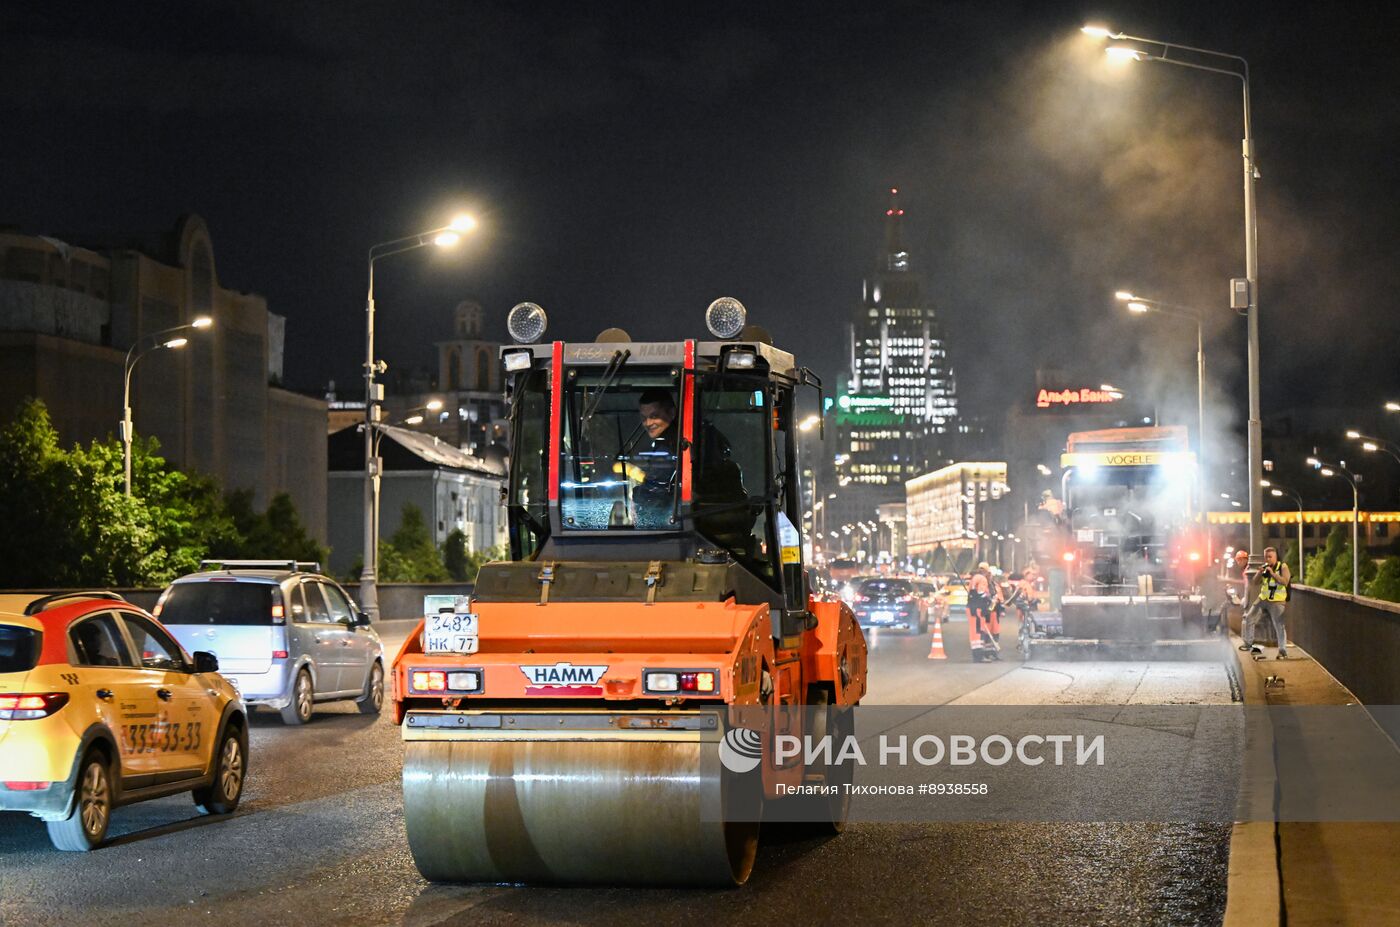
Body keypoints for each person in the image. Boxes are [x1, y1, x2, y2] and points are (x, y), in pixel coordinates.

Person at [1240, 546, 1291, 659]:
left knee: (1279, 626)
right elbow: (1254, 582)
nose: (1267, 559)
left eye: (1270, 557)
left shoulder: (1282, 566)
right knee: (1249, 617)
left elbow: (1285, 581)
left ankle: (1282, 651)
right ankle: (1248, 643)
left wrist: (1272, 573)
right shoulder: (1265, 567)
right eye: (1266, 557)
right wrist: (1259, 572)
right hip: (1263, 598)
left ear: (1275, 557)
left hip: (1277, 600)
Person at [966, 562, 1000, 659]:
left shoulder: (975, 578)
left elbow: (973, 593)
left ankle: (978, 655)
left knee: (976, 632)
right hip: (978, 608)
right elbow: (981, 594)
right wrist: (990, 600)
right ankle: (979, 656)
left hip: (972, 607)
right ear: (986, 571)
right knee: (978, 632)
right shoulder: (982, 579)